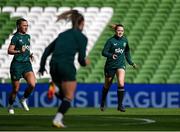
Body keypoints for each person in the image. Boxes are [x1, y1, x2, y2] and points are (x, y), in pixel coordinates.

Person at [38, 10, 90, 128]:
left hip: (53, 66)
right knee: (69, 97)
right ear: (81, 23)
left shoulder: (63, 34)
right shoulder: (82, 38)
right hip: (66, 66)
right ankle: (57, 120)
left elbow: (47, 50)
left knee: (63, 95)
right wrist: (85, 62)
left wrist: (42, 67)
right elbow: (81, 60)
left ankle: (55, 88)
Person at [100, 24, 137, 112]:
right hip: (110, 66)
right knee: (107, 84)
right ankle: (103, 101)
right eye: (118, 30)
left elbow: (127, 52)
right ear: (115, 31)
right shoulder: (110, 41)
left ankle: (120, 105)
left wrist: (131, 63)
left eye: (122, 30)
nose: (120, 32)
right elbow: (104, 52)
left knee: (121, 82)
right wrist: (111, 55)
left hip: (120, 65)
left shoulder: (125, 40)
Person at [7, 18, 36, 114]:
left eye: (27, 25)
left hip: (27, 64)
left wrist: (30, 54)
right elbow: (9, 50)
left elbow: (26, 49)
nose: (26, 27)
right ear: (19, 26)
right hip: (17, 65)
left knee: (32, 84)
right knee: (15, 89)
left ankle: (23, 99)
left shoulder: (28, 36)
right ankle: (10, 105)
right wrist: (19, 51)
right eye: (24, 25)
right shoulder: (15, 37)